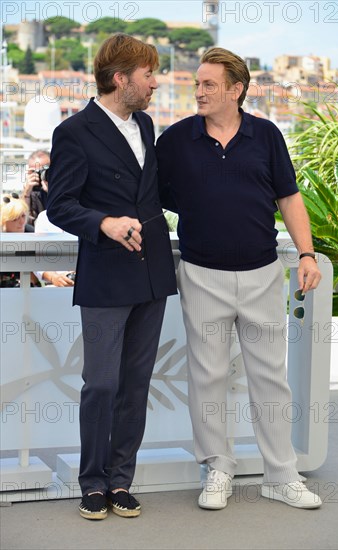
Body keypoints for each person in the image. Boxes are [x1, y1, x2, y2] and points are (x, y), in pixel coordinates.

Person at [156, 47, 323, 510]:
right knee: (207, 377)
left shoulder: (266, 135)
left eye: (210, 84)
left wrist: (306, 253)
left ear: (236, 90)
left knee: (271, 378)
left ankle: (281, 475)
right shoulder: (175, 141)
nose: (200, 92)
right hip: (201, 274)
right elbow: (153, 196)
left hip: (262, 274)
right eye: (197, 84)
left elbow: (289, 197)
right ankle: (218, 469)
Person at [46, 33, 177, 520]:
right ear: (121, 78)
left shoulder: (145, 122)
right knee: (100, 383)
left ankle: (121, 481)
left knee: (136, 383)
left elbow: (157, 192)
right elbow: (60, 205)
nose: (155, 84)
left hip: (152, 273)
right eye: (149, 75)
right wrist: (103, 222)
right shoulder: (74, 132)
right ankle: (92, 482)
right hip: (106, 271)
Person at [1, 193, 40, 287]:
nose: (22, 222)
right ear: (3, 220)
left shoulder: (30, 233)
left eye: (23, 216)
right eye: (15, 219)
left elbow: (37, 269)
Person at [21, 150, 50, 225]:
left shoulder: (63, 186)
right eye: (35, 171)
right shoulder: (31, 190)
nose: (41, 175)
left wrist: (52, 192)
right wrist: (26, 193)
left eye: (44, 170)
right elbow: (23, 221)